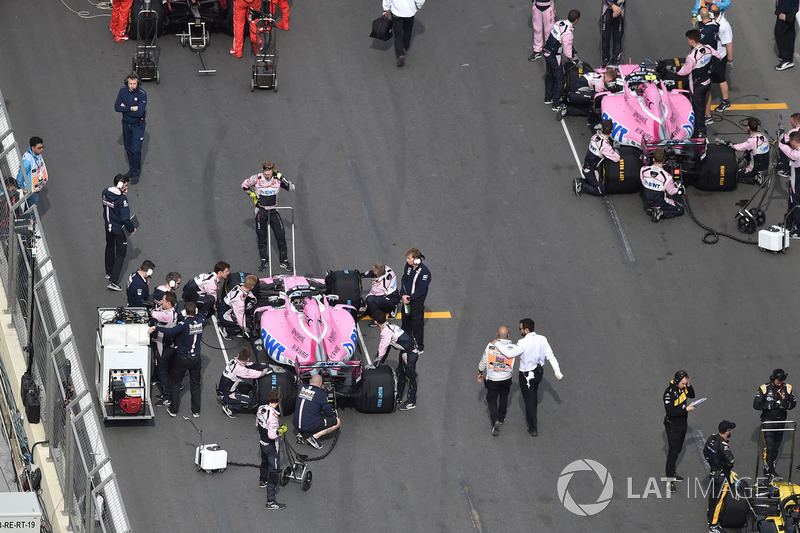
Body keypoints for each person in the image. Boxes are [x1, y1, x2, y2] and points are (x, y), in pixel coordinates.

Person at [494, 318, 563, 437]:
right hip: (539, 373)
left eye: (520, 328)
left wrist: (498, 344)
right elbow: (550, 356)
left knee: (529, 400)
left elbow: (510, 354)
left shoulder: (523, 342)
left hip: (526, 375)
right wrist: (557, 371)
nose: (520, 330)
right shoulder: (542, 339)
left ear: (526, 330)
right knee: (534, 395)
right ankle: (533, 415)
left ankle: (533, 427)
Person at [149, 302, 208, 418]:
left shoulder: (184, 324)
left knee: (176, 383)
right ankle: (196, 410)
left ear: (185, 312)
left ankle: (174, 409)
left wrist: (157, 327)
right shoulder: (202, 322)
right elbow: (202, 316)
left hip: (183, 358)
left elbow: (171, 331)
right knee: (195, 384)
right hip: (196, 358)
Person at [241, 161, 295, 272]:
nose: (267, 175)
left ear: (273, 171)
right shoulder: (257, 178)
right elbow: (244, 185)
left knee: (281, 235)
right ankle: (264, 260)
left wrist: (281, 176)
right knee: (261, 237)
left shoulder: (277, 179)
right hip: (261, 211)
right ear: (263, 170)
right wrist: (251, 195)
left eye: (269, 173)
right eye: (265, 173)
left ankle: (284, 261)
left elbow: (291, 188)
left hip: (274, 211)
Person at [674, 29, 720, 138]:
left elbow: (684, 71)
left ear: (692, 41)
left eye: (688, 40)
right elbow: (718, 57)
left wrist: (674, 69)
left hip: (696, 86)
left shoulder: (691, 56)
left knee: (698, 109)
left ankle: (700, 130)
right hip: (707, 81)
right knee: (702, 105)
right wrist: (710, 70)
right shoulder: (708, 48)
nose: (687, 42)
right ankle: (701, 127)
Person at [753, 368, 796, 480]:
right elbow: (756, 404)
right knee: (770, 447)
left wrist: (785, 404)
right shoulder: (764, 388)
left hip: (781, 422)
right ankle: (768, 471)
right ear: (773, 378)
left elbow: (793, 403)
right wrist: (769, 405)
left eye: (781, 380)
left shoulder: (788, 388)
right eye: (778, 380)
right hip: (768, 422)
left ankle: (771, 468)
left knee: (776, 447)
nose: (779, 382)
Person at [374, 311, 418, 410]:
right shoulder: (390, 325)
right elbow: (388, 346)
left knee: (410, 377)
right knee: (400, 373)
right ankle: (398, 396)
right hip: (405, 352)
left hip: (409, 354)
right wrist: (380, 361)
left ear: (376, 322)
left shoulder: (385, 332)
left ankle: (411, 402)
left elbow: (383, 347)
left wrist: (377, 361)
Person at [478, 326, 515, 436]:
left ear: (497, 335)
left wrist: (480, 372)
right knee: (504, 396)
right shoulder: (512, 347)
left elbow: (484, 361)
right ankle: (502, 417)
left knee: (492, 399)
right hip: (507, 377)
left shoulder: (490, 346)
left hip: (493, 378)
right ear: (508, 335)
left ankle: (495, 421)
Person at [663, 370, 696, 492]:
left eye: (686, 383)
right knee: (673, 452)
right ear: (677, 382)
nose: (684, 385)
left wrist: (688, 385)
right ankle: (669, 478)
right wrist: (686, 410)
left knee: (678, 449)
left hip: (682, 424)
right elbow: (670, 412)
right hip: (673, 426)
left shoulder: (683, 388)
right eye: (683, 383)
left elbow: (692, 395)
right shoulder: (669, 393)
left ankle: (672, 472)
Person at [102, 174, 136, 292]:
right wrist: (131, 229)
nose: (127, 188)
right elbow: (125, 219)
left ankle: (109, 271)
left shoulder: (105, 192)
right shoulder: (122, 200)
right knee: (120, 254)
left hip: (108, 226)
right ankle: (113, 281)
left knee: (110, 248)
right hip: (118, 230)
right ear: (121, 185)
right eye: (125, 185)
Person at [218, 347, 271, 418]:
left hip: (225, 388)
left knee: (248, 388)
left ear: (238, 355)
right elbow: (256, 374)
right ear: (248, 358)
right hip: (228, 394)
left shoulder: (234, 360)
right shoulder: (240, 369)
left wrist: (266, 365)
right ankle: (229, 406)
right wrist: (267, 370)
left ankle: (236, 399)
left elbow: (251, 365)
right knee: (252, 402)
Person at [543, 10, 581, 110]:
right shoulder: (568, 33)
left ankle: (548, 98)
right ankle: (556, 104)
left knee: (550, 75)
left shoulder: (559, 23)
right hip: (554, 56)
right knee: (559, 79)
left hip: (546, 52)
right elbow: (567, 52)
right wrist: (575, 59)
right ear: (576, 20)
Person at [256, 388, 287, 510]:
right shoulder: (273, 416)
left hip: (262, 443)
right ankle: (271, 501)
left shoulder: (261, 409)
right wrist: (281, 430)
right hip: (271, 447)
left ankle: (262, 480)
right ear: (279, 401)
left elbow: (257, 425)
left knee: (264, 463)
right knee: (273, 473)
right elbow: (272, 435)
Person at [114, 73, 147, 184]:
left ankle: (136, 172)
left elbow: (140, 113)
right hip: (126, 124)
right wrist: (132, 108)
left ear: (138, 82)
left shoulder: (142, 94)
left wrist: (125, 109)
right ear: (127, 82)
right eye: (130, 83)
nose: (132, 86)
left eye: (134, 83)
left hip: (137, 125)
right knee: (128, 148)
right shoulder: (122, 91)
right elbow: (117, 107)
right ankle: (132, 170)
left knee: (136, 150)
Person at [573, 119, 620, 197]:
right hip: (591, 170)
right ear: (612, 131)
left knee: (597, 182)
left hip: (587, 165)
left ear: (602, 129)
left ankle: (584, 182)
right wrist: (616, 148)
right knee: (600, 192)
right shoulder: (605, 146)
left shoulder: (595, 136)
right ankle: (581, 185)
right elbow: (616, 158)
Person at [703, 420, 736, 533]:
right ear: (727, 431)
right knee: (718, 500)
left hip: (713, 472)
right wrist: (726, 467)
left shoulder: (712, 438)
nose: (731, 431)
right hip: (722, 476)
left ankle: (710, 516)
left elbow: (705, 452)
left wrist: (713, 463)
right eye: (730, 429)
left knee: (712, 496)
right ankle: (713, 526)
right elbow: (731, 460)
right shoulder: (724, 446)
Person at [293, 374, 341, 449]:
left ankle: (302, 433)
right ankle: (315, 437)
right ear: (320, 383)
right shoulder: (321, 394)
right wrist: (333, 417)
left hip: (296, 423)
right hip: (310, 424)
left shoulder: (301, 388)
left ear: (310, 381)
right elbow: (328, 413)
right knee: (337, 422)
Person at [640, 148, 685, 222]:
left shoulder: (643, 169)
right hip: (659, 202)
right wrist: (678, 186)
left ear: (653, 159)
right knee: (680, 209)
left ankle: (650, 208)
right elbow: (671, 192)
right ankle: (661, 213)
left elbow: (643, 182)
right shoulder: (667, 177)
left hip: (646, 200)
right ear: (664, 159)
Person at [400, 247, 431, 354]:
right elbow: (404, 279)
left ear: (416, 260)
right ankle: (404, 340)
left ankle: (419, 346)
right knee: (405, 320)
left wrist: (410, 298)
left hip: (416, 301)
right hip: (406, 299)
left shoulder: (425, 272)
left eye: (409, 258)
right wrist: (403, 294)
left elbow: (421, 290)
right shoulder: (408, 267)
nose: (407, 260)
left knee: (417, 324)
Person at [151, 291, 178, 406]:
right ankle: (165, 392)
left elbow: (154, 314)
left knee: (163, 371)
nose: (161, 302)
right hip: (167, 344)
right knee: (163, 370)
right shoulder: (171, 312)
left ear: (169, 303)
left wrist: (154, 310)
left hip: (164, 346)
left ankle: (167, 396)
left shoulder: (167, 315)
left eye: (163, 300)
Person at [726, 118, 771, 185]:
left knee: (736, 176)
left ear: (748, 127)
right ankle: (759, 173)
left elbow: (739, 147)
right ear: (758, 126)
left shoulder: (752, 141)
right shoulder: (764, 137)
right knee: (748, 151)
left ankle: (755, 177)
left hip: (756, 167)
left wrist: (729, 144)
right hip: (765, 165)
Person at [382, 0, 425, 67]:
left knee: (397, 34)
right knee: (408, 31)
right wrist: (418, 7)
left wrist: (386, 9)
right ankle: (405, 47)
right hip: (410, 13)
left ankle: (400, 54)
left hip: (396, 13)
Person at [707, 3, 733, 115]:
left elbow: (729, 44)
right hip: (712, 55)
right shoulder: (714, 22)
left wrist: (729, 60)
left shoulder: (723, 26)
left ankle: (725, 101)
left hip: (720, 56)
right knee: (711, 76)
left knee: (721, 78)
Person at [218, 274, 258, 339]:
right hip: (224, 315)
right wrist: (245, 329)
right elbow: (240, 316)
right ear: (252, 287)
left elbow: (248, 293)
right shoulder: (239, 301)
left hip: (225, 306)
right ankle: (226, 330)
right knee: (241, 324)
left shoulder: (240, 285)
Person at [15, 136, 47, 208]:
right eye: (39, 148)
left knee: (30, 206)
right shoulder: (27, 161)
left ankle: (28, 217)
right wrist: (20, 185)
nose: (42, 149)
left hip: (36, 186)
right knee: (33, 207)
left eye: (42, 147)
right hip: (30, 190)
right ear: (33, 148)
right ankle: (32, 218)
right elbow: (21, 175)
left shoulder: (38, 154)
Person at [778, 131, 800, 237]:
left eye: (791, 142)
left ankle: (798, 229)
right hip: (795, 181)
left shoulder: (796, 154)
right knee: (791, 203)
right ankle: (788, 223)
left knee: (796, 204)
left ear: (794, 141)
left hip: (797, 184)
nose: (790, 144)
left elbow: (785, 149)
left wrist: (781, 140)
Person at [775, 0, 799, 71]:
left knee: (780, 32)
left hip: (787, 8)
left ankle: (787, 59)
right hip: (791, 7)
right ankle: (787, 55)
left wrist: (783, 12)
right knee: (789, 31)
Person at [600, 0, 625, 67]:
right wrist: (612, 5)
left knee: (618, 37)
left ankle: (616, 60)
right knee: (605, 37)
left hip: (619, 9)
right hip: (607, 8)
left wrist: (617, 9)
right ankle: (605, 59)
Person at [776, 112, 800, 178]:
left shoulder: (793, 131)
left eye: (791, 122)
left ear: (796, 123)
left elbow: (782, 141)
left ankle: (785, 168)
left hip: (796, 154)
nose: (791, 124)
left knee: (782, 148)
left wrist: (781, 132)